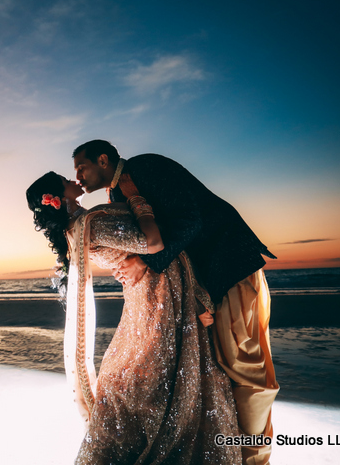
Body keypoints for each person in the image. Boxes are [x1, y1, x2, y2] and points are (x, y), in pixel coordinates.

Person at [72, 140, 279, 465]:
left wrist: (144, 263)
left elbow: (189, 223)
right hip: (204, 282)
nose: (78, 177)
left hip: (231, 266)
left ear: (102, 159)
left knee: (245, 370)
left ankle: (256, 458)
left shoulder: (144, 167)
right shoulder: (117, 195)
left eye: (80, 167)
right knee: (222, 369)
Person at [26, 172, 240, 464]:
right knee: (152, 371)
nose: (74, 178)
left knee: (140, 370)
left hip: (147, 291)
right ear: (57, 197)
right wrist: (139, 203)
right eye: (65, 179)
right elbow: (152, 242)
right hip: (158, 293)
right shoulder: (92, 223)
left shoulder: (75, 229)